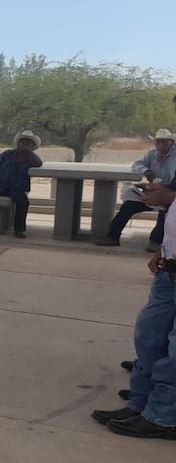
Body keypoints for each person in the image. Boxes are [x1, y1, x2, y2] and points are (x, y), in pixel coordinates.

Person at [91, 183, 176, 439]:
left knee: (174, 350)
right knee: (150, 336)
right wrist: (165, 250)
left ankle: (163, 416)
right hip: (169, 270)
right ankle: (140, 403)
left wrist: (165, 194)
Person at [96, 129, 176, 251]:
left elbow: (172, 178)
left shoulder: (174, 157)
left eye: (165, 142)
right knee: (128, 206)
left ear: (171, 143)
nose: (161, 145)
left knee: (165, 210)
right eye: (158, 142)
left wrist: (160, 186)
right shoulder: (152, 154)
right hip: (151, 192)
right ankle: (112, 236)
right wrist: (146, 171)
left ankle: (155, 241)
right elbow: (137, 164)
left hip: (167, 193)